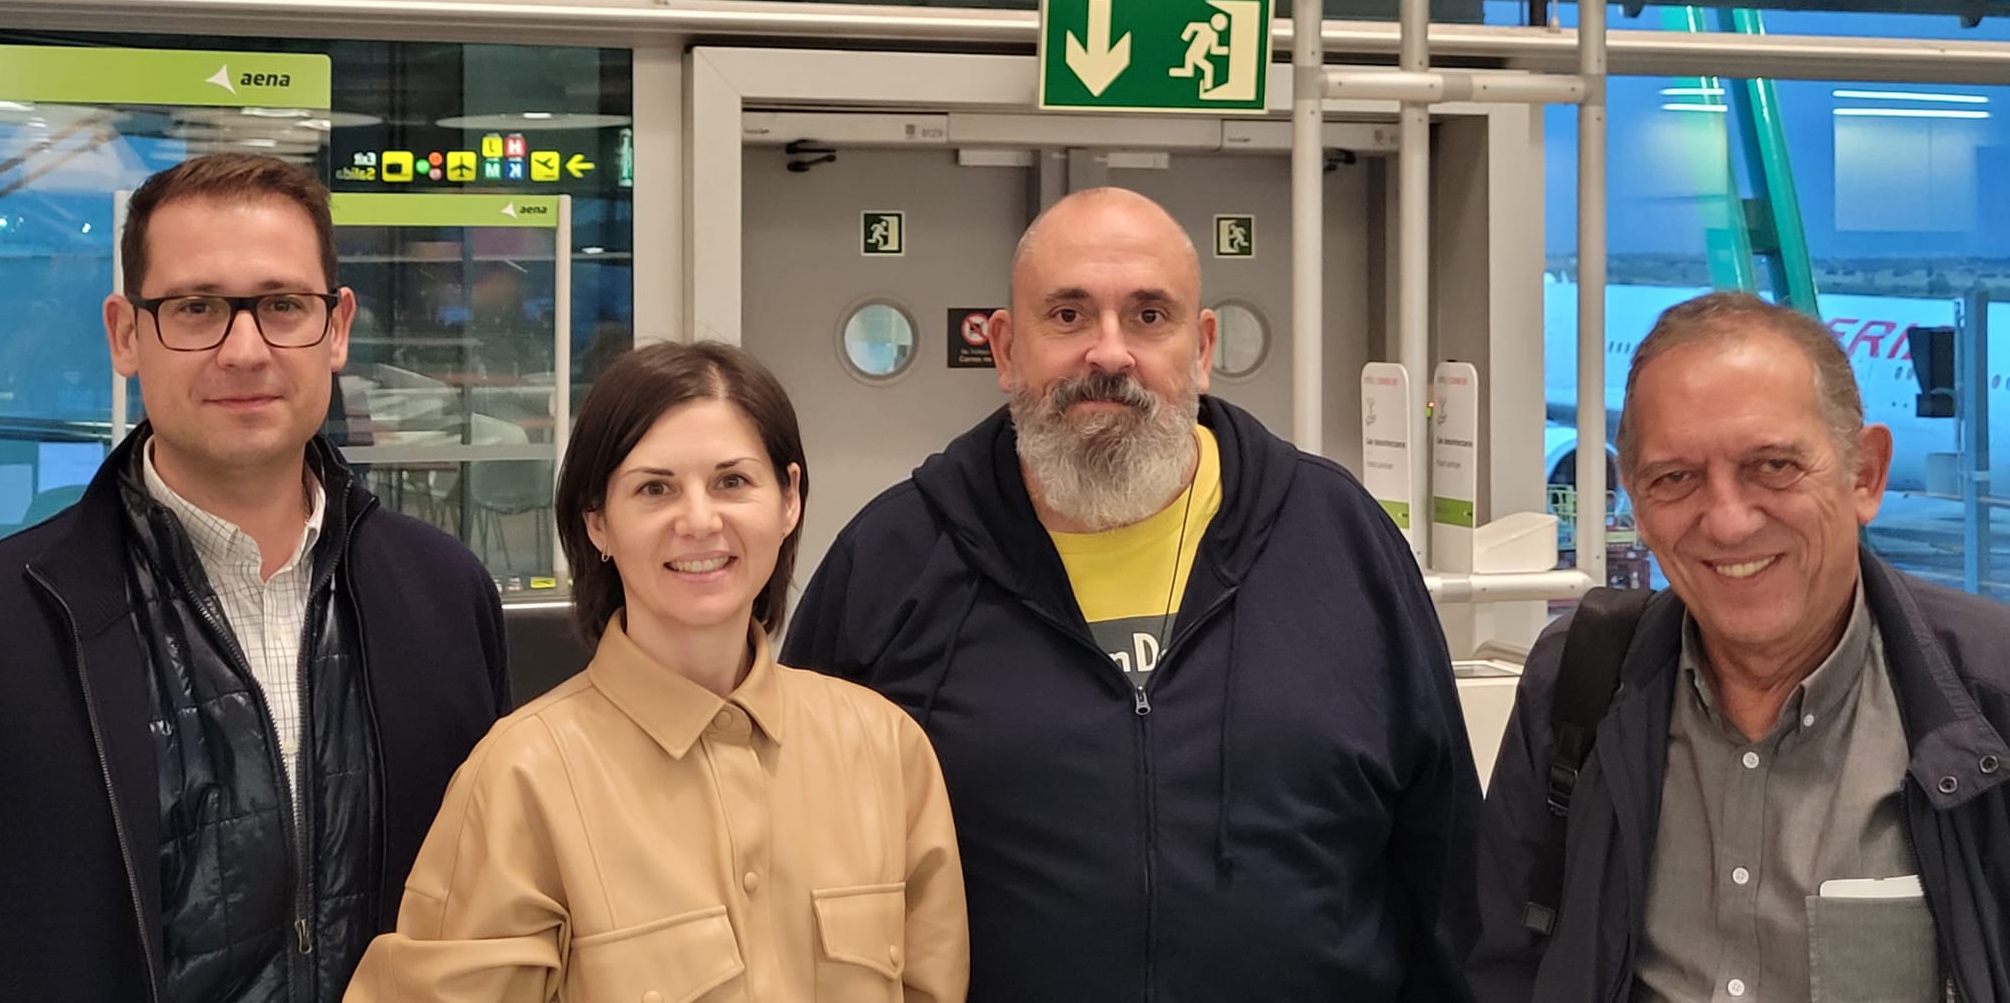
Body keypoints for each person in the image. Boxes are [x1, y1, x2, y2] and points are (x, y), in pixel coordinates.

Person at [784, 186, 1480, 1002]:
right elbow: (805, 864)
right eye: (1069, 316)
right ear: (1006, 348)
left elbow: (1448, 870)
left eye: (1150, 316)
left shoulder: (1341, 543)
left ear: (1203, 345)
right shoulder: (893, 561)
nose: (1109, 355)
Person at [0, 153, 511, 1003]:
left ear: (336, 327)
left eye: (282, 306)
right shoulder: (14, 622)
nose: (245, 350)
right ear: (126, 333)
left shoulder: (446, 597)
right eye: (196, 308)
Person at [346, 340, 969, 1002]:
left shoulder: (886, 750)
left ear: (788, 499)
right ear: (598, 524)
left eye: (732, 481)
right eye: (654, 488)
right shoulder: (520, 778)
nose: (699, 521)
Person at [1470, 291, 2010, 1003]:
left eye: (1774, 467)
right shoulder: (1577, 681)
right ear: (1633, 495)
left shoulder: (1989, 698)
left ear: (1865, 475)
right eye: (1675, 478)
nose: (1726, 523)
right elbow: (1503, 965)